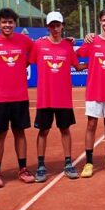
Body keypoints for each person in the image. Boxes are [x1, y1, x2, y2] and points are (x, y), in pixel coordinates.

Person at [0, 7, 35, 187]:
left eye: (10, 22)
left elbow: (39, 51)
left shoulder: (24, 40)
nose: (7, 25)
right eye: (4, 22)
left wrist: (66, 41)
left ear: (15, 24)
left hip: (20, 96)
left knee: (20, 133)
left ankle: (23, 169)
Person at [29, 11, 81, 181]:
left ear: (62, 26)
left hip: (63, 98)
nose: (55, 28)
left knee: (65, 130)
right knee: (43, 131)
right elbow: (28, 60)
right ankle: (41, 165)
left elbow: (77, 66)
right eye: (52, 26)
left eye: (58, 25)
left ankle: (68, 163)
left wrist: (95, 63)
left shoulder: (68, 46)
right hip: (45, 98)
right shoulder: (39, 45)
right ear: (48, 27)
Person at [77, 8, 105, 177]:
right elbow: (75, 55)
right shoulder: (92, 41)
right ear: (99, 21)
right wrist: (83, 65)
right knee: (91, 125)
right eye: (104, 20)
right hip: (94, 90)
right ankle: (89, 163)